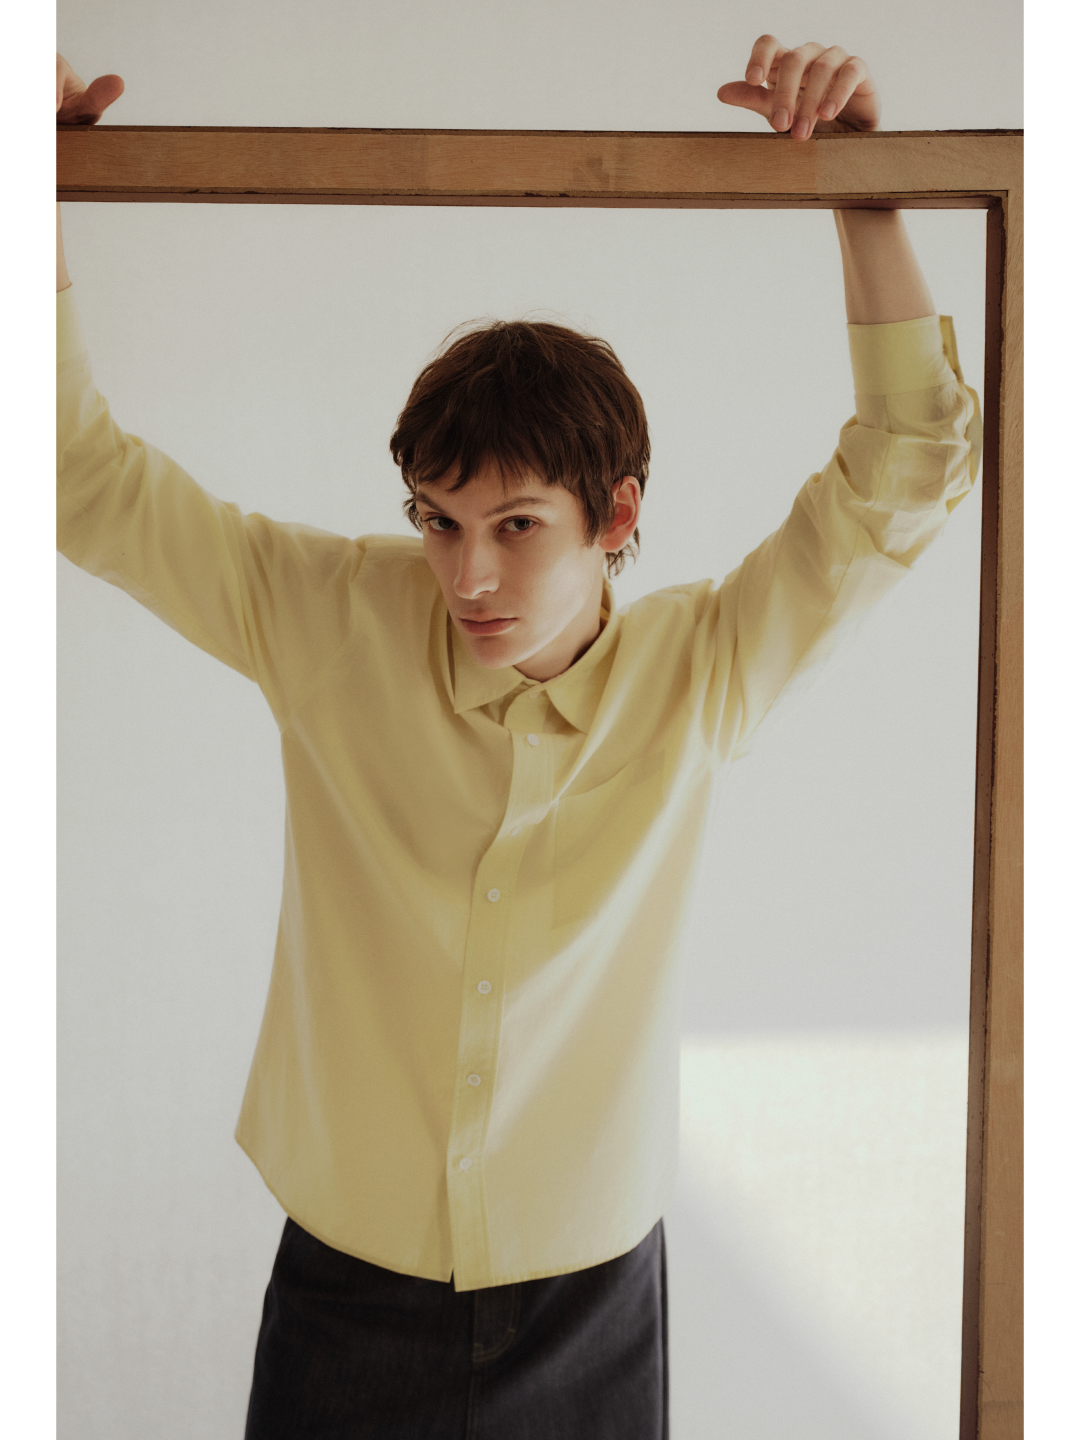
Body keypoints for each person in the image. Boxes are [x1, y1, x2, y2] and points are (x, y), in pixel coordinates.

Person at [56, 35, 981, 1440]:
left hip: (589, 1294)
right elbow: (83, 480)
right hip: (349, 1282)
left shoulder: (704, 669)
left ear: (618, 514)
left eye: (516, 526)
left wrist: (864, 189)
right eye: (439, 523)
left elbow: (909, 467)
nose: (468, 576)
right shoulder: (325, 618)